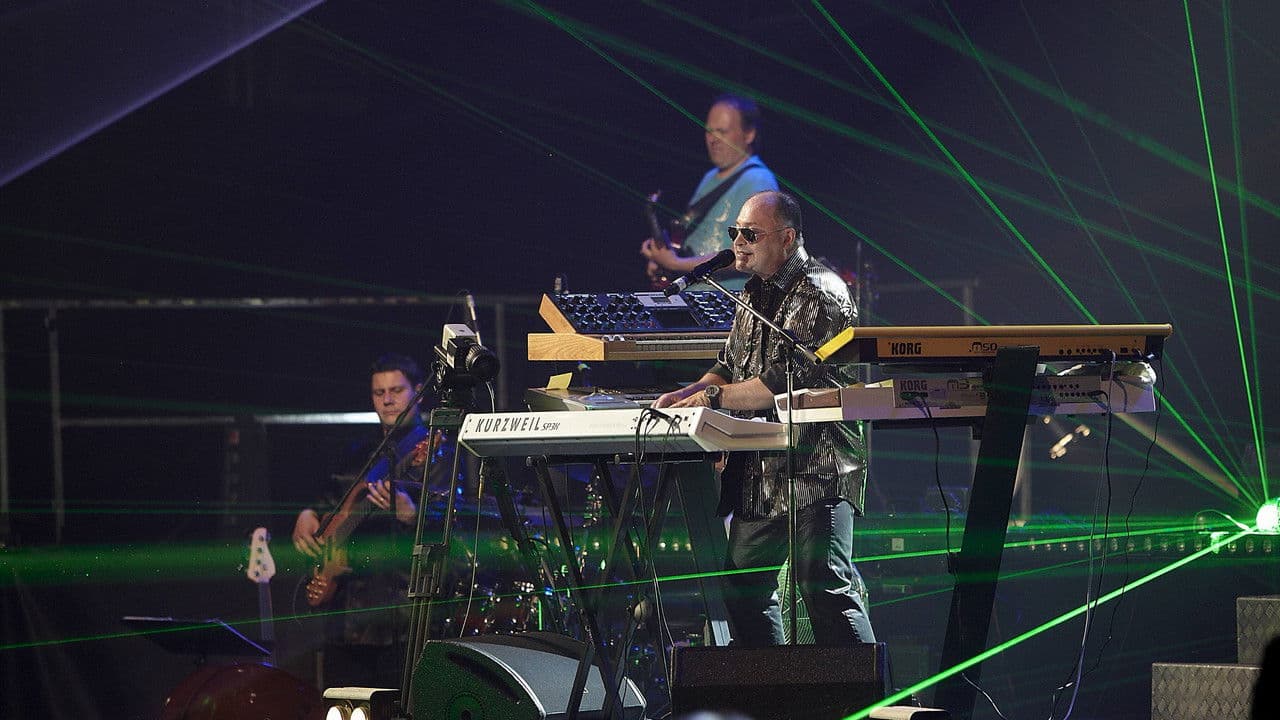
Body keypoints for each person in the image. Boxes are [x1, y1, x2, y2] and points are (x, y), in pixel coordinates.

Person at [653, 190, 873, 646]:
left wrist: (711, 398)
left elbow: (781, 380)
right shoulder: (752, 291)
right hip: (762, 469)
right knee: (743, 589)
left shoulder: (820, 291)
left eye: (750, 234)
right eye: (735, 232)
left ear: (787, 238)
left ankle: (864, 689)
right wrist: (689, 393)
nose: (738, 242)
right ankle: (774, 684)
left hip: (817, 465)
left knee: (823, 586)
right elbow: (729, 365)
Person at [291, 353, 440, 687]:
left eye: (396, 391)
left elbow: (457, 523)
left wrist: (412, 515)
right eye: (379, 392)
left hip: (399, 620)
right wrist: (306, 515)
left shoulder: (434, 450)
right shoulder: (357, 451)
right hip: (344, 618)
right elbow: (328, 500)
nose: (387, 400)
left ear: (418, 392)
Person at [641, 93, 779, 291]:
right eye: (709, 131)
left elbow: (751, 252)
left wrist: (675, 264)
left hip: (725, 303)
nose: (713, 139)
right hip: (691, 298)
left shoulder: (758, 180)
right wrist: (664, 262)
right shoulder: (710, 177)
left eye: (722, 131)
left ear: (749, 134)